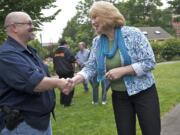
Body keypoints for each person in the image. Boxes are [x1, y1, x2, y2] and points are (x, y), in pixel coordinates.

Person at [69, 1, 161, 135]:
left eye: (95, 17)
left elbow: (149, 62)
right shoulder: (97, 42)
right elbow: (91, 66)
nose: (92, 22)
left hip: (144, 93)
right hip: (120, 97)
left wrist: (123, 70)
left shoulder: (133, 34)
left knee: (151, 131)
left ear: (107, 15)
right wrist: (75, 79)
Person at [0, 12, 72, 135]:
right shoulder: (6, 55)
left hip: (39, 122)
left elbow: (42, 76)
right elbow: (35, 83)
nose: (32, 26)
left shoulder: (29, 51)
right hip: (22, 125)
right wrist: (59, 82)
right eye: (28, 23)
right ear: (14, 28)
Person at [53, 39, 76, 107]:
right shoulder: (67, 50)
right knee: (70, 85)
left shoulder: (55, 52)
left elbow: (54, 62)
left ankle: (62, 101)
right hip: (67, 71)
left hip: (59, 71)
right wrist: (73, 70)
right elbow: (72, 61)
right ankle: (67, 103)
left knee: (62, 85)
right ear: (65, 44)